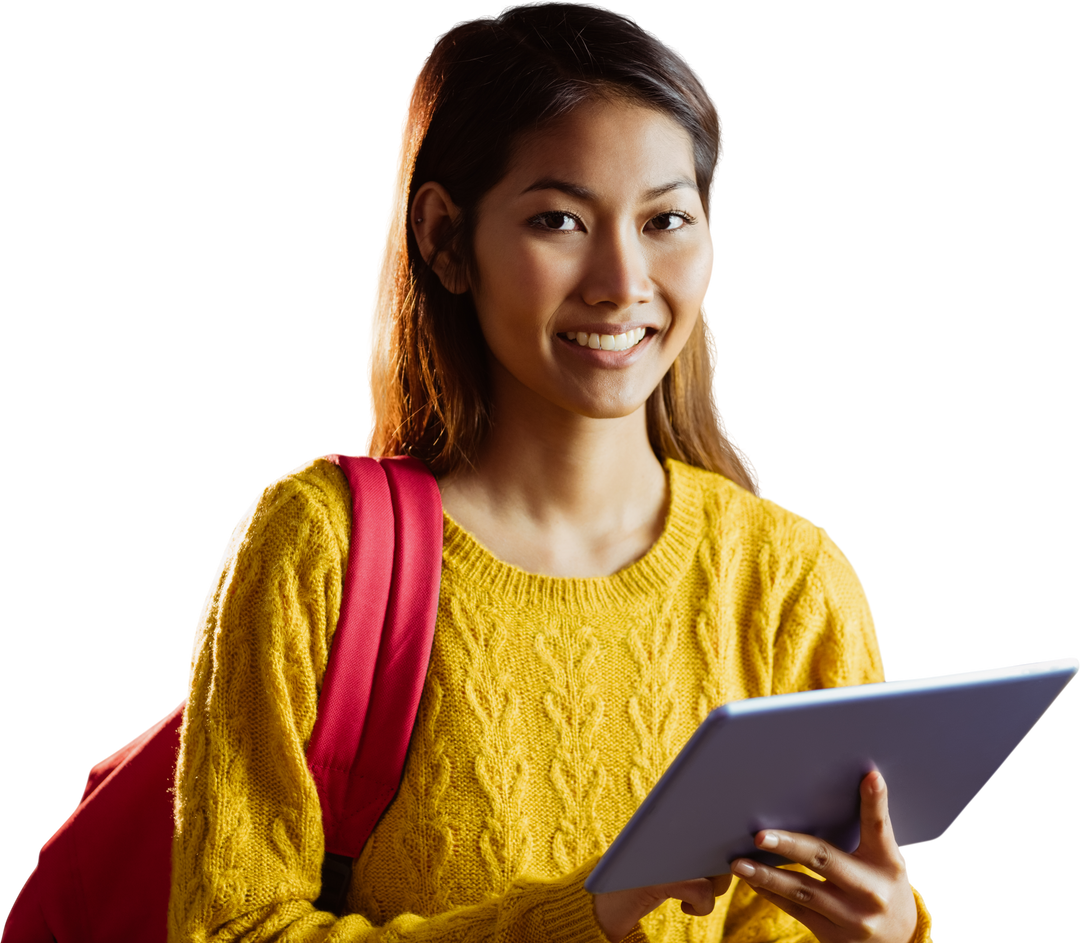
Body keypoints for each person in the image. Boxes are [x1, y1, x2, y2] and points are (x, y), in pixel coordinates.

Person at [168, 2, 935, 940]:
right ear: (447, 239)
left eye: (666, 220)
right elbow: (226, 930)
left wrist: (888, 935)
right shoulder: (318, 548)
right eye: (560, 219)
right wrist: (588, 911)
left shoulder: (790, 583)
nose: (621, 279)